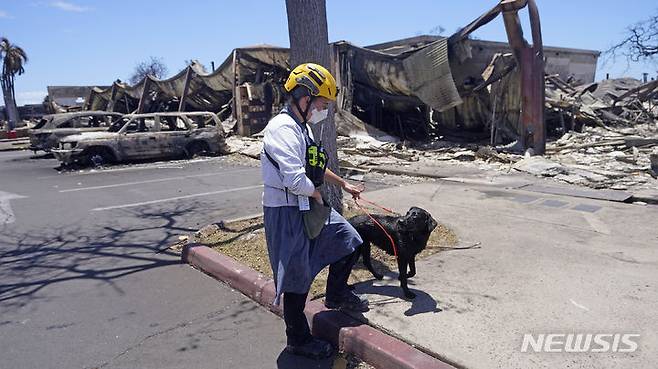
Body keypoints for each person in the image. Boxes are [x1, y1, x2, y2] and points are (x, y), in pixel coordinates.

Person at [261, 63, 368, 359]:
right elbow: (294, 179)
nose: (322, 110)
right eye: (321, 104)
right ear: (303, 96)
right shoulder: (281, 129)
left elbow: (314, 166)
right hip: (285, 210)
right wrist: (319, 193)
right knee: (295, 276)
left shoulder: (302, 127)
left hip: (308, 203)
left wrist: (343, 184)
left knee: (348, 239)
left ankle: (335, 294)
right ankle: (298, 339)